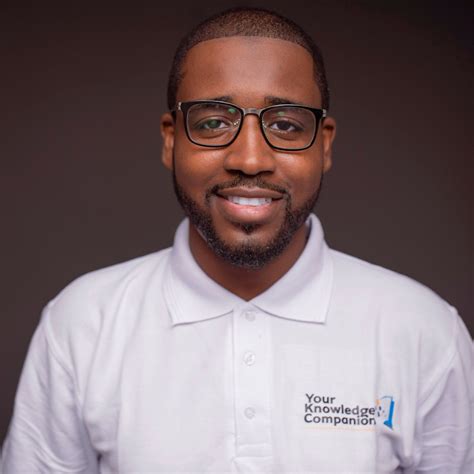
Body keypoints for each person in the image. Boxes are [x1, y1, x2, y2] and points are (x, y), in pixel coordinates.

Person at [2, 7, 472, 473]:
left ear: (324, 145)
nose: (250, 159)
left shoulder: (423, 331)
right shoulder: (84, 323)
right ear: (171, 140)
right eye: (213, 122)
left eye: (285, 125)